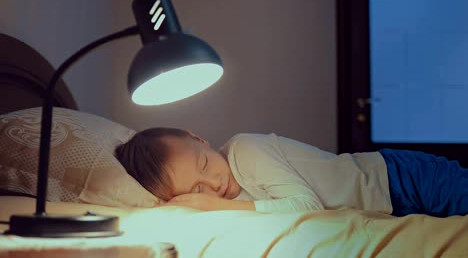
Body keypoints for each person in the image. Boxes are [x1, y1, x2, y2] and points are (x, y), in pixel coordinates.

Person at [115, 127, 468, 217]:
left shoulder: (244, 150)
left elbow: (306, 207)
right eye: (198, 190)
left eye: (204, 165)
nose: (215, 184)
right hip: (388, 208)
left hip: (398, 177)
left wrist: (213, 205)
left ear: (199, 138)